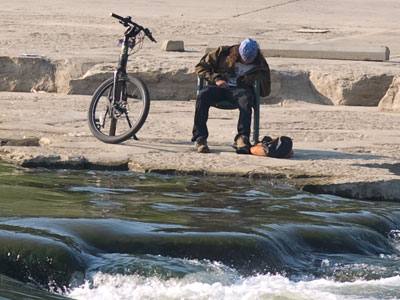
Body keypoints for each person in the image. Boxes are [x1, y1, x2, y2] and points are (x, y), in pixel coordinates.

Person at [192, 38, 271, 154]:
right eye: (244, 60)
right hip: (219, 87)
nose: (246, 63)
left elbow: (265, 91)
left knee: (246, 100)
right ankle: (200, 138)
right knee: (203, 95)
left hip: (240, 90)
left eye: (249, 61)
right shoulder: (222, 52)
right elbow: (200, 67)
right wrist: (216, 79)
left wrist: (253, 79)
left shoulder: (260, 64)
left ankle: (242, 138)